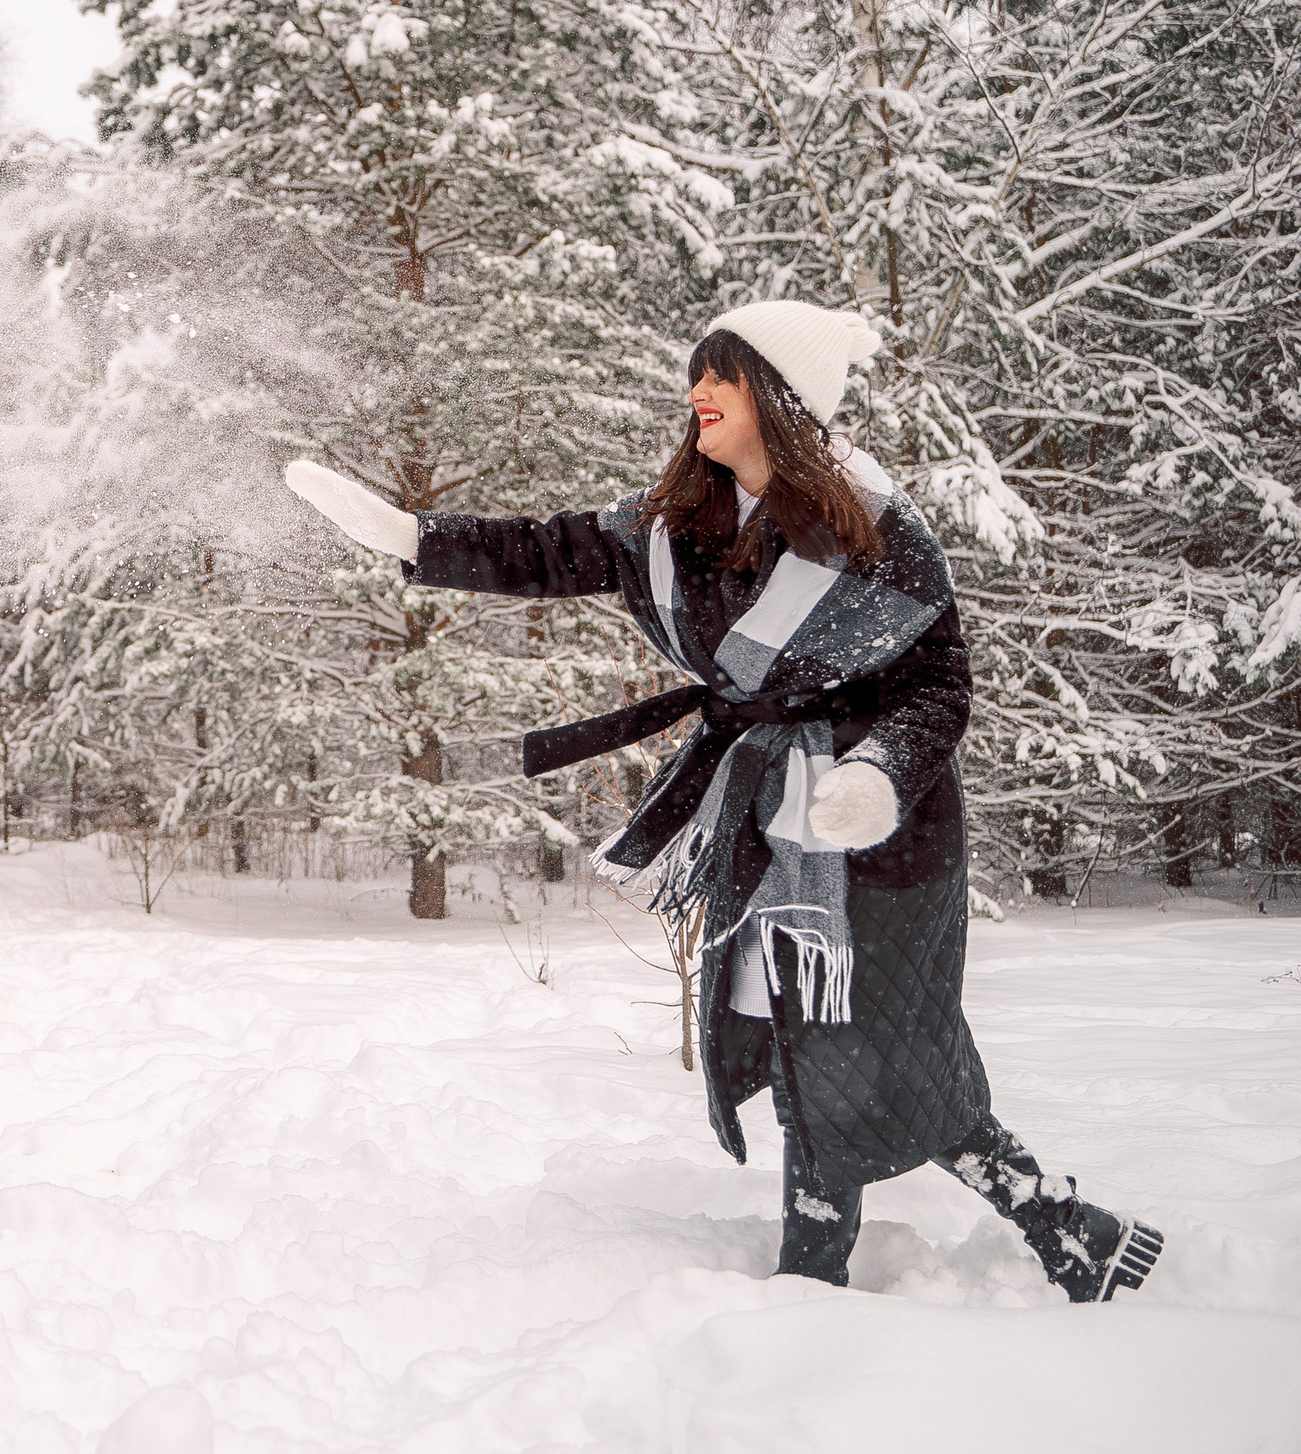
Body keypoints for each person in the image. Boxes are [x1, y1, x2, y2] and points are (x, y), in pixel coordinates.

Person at [285, 301, 1164, 1301]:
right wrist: (411, 536)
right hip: (763, 822)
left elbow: (938, 687)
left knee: (877, 1048)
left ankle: (846, 1277)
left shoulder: (878, 534)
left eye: (723, 374)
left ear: (780, 397)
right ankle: (1054, 1231)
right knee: (808, 1042)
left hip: (879, 840)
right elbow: (544, 549)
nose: (696, 392)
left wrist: (873, 776)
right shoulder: (674, 522)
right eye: (695, 372)